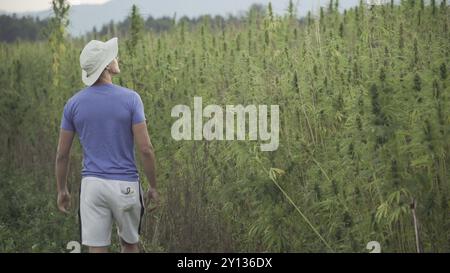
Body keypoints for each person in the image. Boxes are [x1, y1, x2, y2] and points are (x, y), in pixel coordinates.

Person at [55, 37, 159, 253]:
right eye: (113, 56)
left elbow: (62, 155)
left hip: (92, 186)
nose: (117, 58)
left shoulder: (73, 104)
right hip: (126, 185)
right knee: (129, 245)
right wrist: (153, 186)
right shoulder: (131, 99)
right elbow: (146, 149)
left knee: (97, 248)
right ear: (107, 66)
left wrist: (62, 189)